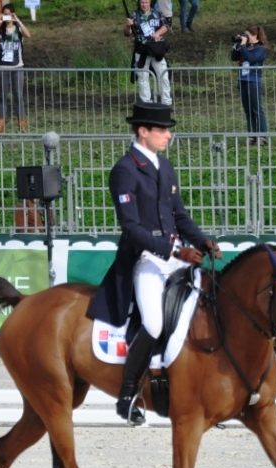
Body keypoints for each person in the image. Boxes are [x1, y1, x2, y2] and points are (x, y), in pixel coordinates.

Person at [88, 102, 220, 425]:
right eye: (162, 130)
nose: (168, 135)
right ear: (142, 131)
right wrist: (176, 252)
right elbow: (132, 229)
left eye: (168, 130)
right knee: (154, 323)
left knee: (206, 308)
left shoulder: (165, 166)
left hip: (176, 256)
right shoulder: (125, 170)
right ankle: (128, 394)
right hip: (144, 260)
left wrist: (202, 240)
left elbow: (180, 216)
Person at [0, 4, 31, 134]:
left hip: (17, 67)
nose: (7, 17)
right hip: (3, 67)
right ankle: (1, 125)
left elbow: (28, 35)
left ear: (13, 14)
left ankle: (22, 125)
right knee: (2, 97)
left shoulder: (17, 29)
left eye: (9, 14)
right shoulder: (0, 30)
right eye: (5, 14)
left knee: (18, 96)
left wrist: (18, 21)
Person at [127, 0, 172, 106]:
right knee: (143, 77)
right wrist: (128, 25)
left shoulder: (157, 13)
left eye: (146, 2)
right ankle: (146, 103)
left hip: (156, 50)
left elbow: (166, 25)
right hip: (141, 50)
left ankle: (166, 102)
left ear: (150, 2)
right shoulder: (134, 15)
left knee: (163, 75)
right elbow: (127, 33)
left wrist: (157, 33)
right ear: (139, 3)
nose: (144, 5)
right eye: (142, 2)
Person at [232, 25, 269, 144]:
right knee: (247, 109)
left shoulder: (261, 49)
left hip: (253, 81)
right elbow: (234, 57)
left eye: (247, 35)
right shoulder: (245, 47)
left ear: (255, 35)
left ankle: (263, 136)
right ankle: (252, 135)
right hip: (243, 80)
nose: (245, 37)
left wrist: (243, 46)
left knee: (256, 109)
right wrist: (237, 46)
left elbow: (251, 59)